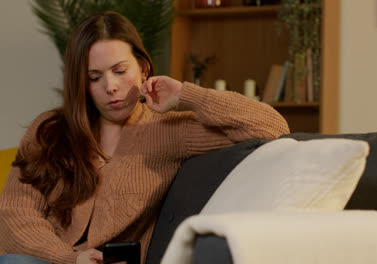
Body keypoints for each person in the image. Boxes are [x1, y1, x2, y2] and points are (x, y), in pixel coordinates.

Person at [0, 11, 289, 264]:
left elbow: (271, 126)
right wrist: (70, 259)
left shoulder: (169, 129)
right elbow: (15, 213)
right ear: (82, 84)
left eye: (120, 71)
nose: (111, 87)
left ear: (143, 69)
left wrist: (185, 95)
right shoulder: (49, 129)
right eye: (95, 77)